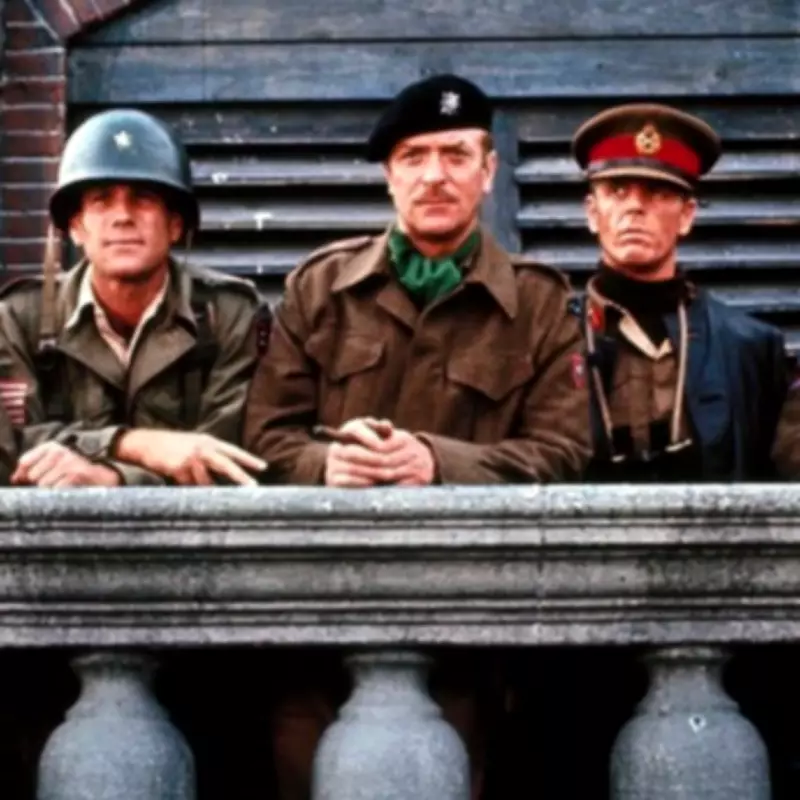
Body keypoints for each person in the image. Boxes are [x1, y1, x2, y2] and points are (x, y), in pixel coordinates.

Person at [244, 73, 592, 800]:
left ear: (488, 171)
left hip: (466, 629)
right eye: (414, 156)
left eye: (456, 155)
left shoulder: (538, 303)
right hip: (318, 621)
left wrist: (436, 460)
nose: (435, 175)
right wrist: (327, 464)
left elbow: (563, 453)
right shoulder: (320, 288)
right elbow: (264, 439)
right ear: (389, 174)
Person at [0, 108, 268, 486]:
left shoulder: (228, 314)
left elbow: (228, 455)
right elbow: (12, 450)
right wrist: (133, 444)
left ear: (175, 225)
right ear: (76, 227)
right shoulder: (19, 318)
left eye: (143, 199)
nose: (123, 216)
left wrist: (112, 478)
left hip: (192, 523)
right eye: (102, 200)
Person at [571, 102, 790, 481]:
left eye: (657, 192)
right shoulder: (550, 339)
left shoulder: (747, 348)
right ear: (592, 213)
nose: (635, 208)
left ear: (687, 215)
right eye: (618, 191)